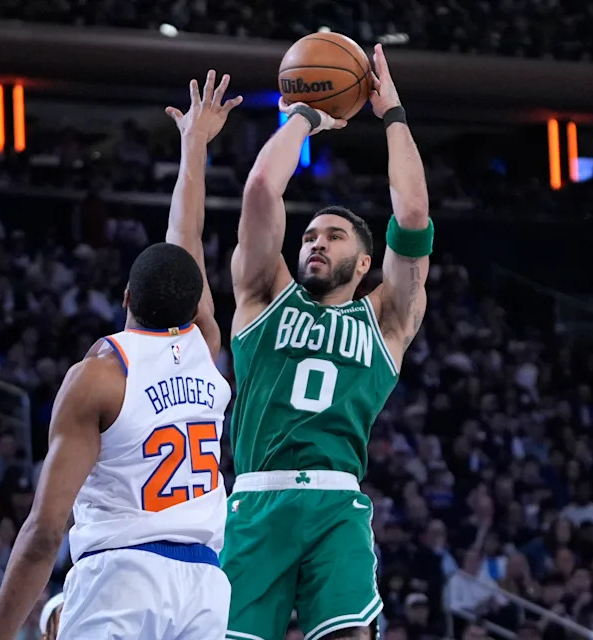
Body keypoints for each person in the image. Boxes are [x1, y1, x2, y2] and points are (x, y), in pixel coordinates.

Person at [0, 70, 241, 640]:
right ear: (197, 301)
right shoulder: (206, 345)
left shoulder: (100, 377)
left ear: (126, 297)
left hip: (121, 578)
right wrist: (194, 147)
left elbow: (46, 532)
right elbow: (186, 237)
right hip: (203, 588)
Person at [222, 44, 431, 640]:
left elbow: (413, 214)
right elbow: (263, 187)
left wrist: (392, 116)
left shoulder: (388, 318)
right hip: (256, 502)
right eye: (309, 235)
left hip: (337, 503)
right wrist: (307, 116)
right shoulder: (263, 296)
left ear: (365, 261)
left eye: (333, 237)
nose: (315, 243)